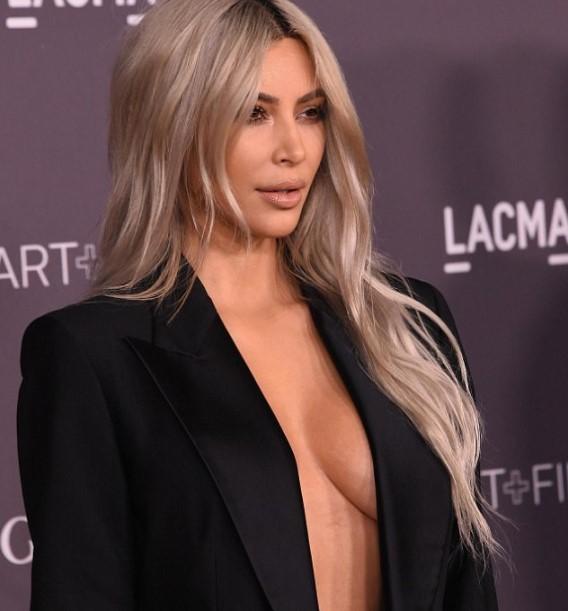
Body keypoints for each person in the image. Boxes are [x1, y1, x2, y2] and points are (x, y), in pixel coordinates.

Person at [16, 0, 507, 609]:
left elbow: (467, 586)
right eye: (254, 113)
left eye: (310, 112)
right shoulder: (93, 359)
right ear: (173, 124)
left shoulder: (407, 326)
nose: (293, 149)